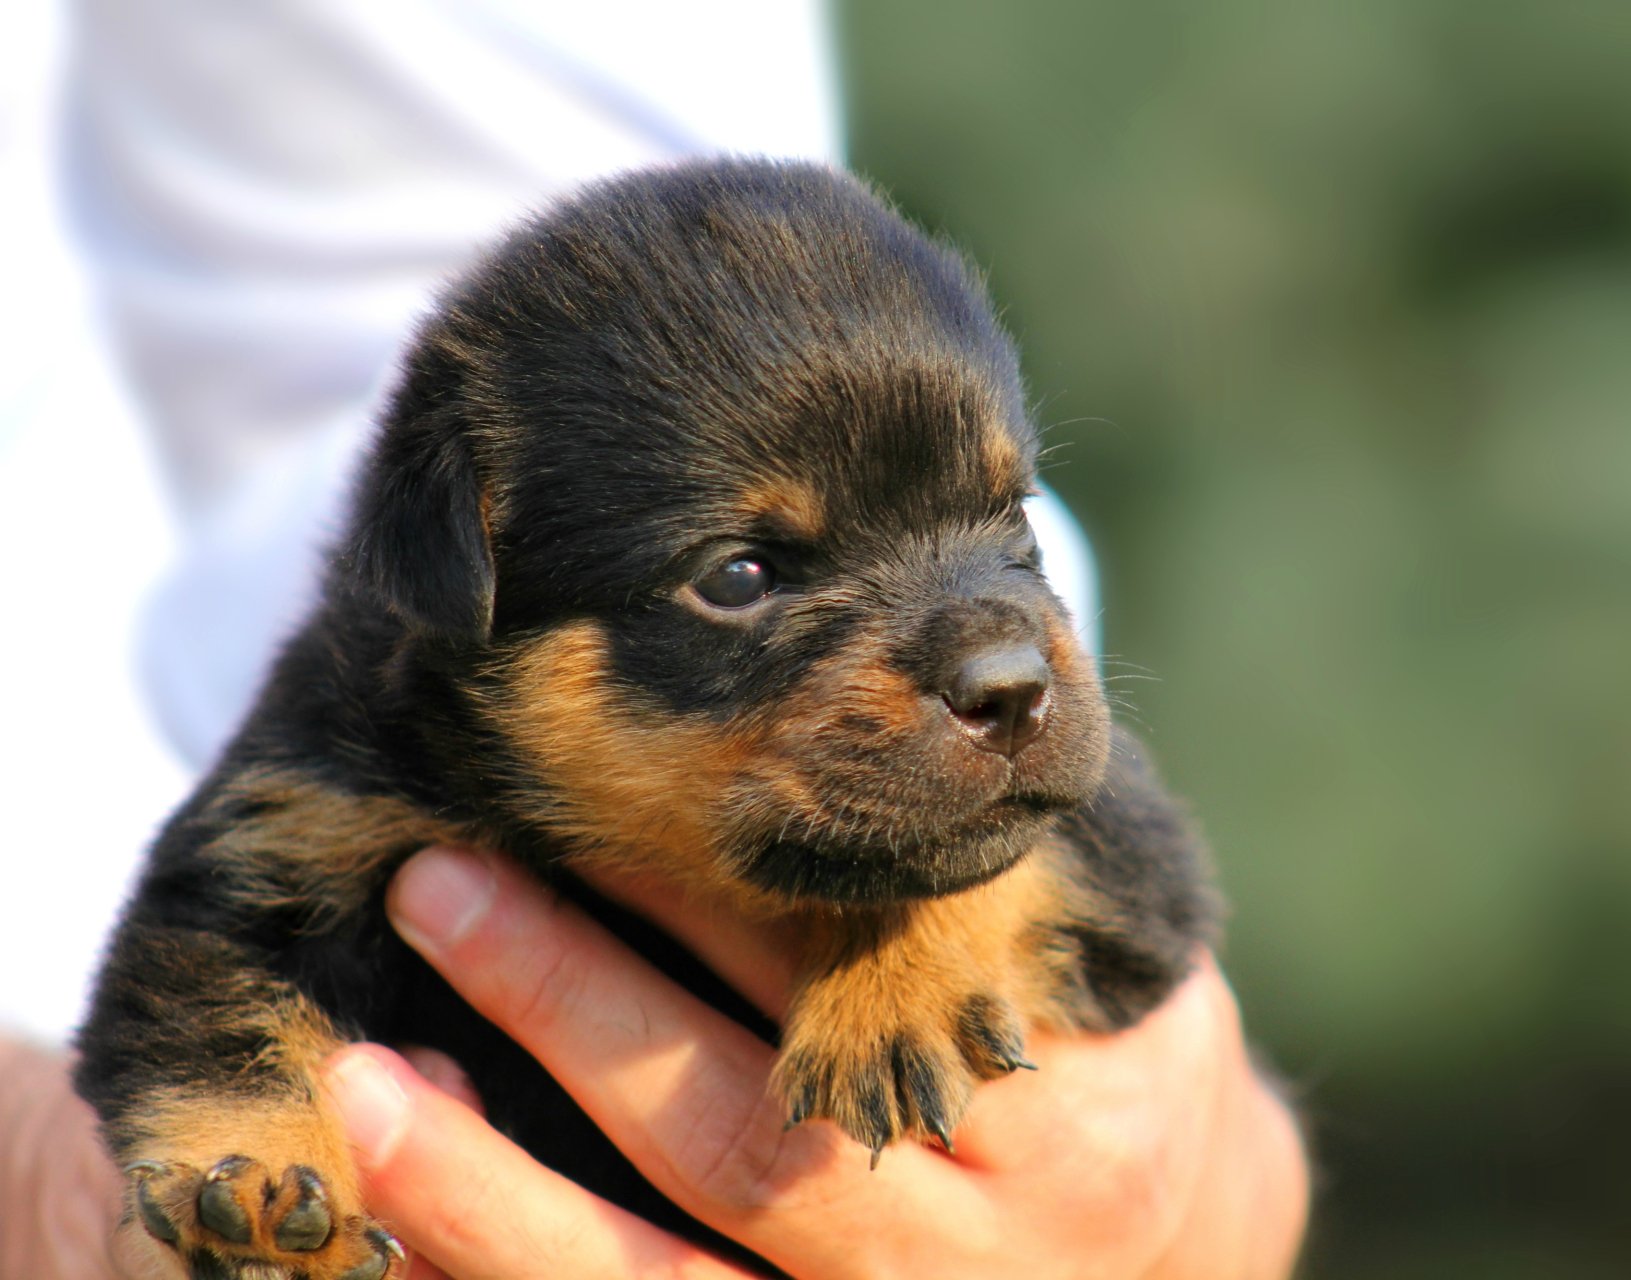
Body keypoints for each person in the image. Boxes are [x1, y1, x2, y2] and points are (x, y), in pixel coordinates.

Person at [0, 1, 1309, 1274]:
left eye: (999, 515)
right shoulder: (352, 756)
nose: (1002, 663)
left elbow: (1144, 912)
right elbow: (198, 965)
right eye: (744, 576)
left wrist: (943, 932)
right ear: (468, 581)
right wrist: (197, 1178)